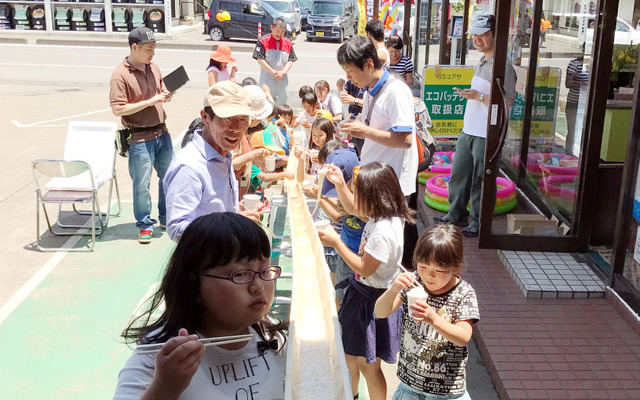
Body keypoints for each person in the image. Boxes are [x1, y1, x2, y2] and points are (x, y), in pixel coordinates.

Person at [113, 212, 287, 400]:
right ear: (193, 285)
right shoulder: (161, 355)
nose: (258, 286)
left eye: (264, 270)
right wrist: (165, 388)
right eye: (240, 274)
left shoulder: (270, 335)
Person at [318, 161, 414, 400]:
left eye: (357, 192)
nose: (354, 198)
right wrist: (340, 183)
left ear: (374, 196)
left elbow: (364, 268)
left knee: (369, 366)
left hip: (373, 301)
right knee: (352, 358)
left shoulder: (383, 232)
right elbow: (354, 209)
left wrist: (336, 241)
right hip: (365, 294)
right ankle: (352, 395)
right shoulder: (385, 215)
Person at [337, 36, 419, 269]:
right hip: (375, 178)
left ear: (369, 65)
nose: (348, 78)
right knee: (374, 239)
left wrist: (364, 130)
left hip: (391, 182)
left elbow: (405, 139)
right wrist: (355, 130)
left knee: (387, 246)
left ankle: (389, 290)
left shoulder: (396, 91)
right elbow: (373, 130)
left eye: (350, 71)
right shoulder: (370, 90)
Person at [374, 225, 479, 400]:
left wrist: (433, 319)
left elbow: (463, 337)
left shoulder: (464, 293)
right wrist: (393, 290)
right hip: (410, 386)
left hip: (446, 392)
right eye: (423, 266)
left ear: (456, 267)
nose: (429, 276)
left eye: (439, 271)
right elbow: (380, 311)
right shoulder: (414, 281)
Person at [433, 14, 516, 237]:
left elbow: (507, 104)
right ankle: (455, 214)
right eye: (475, 35)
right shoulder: (482, 61)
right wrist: (474, 96)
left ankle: (478, 222)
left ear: (495, 36)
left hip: (486, 133)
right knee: (460, 174)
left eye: (483, 35)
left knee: (481, 178)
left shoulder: (503, 67)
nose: (477, 39)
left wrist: (479, 96)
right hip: (469, 129)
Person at [163, 81, 256, 242]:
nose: (235, 128)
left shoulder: (223, 155)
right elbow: (177, 229)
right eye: (226, 119)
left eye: (242, 120)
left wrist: (238, 219)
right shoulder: (189, 166)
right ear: (205, 117)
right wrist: (230, 230)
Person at [109, 26, 174, 244]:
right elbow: (118, 109)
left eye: (154, 49)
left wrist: (167, 95)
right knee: (141, 184)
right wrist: (150, 101)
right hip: (138, 138)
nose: (152, 53)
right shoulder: (120, 75)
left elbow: (160, 93)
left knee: (168, 178)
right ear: (134, 47)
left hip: (161, 133)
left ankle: (165, 216)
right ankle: (145, 224)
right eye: (148, 49)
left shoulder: (153, 67)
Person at [253, 17, 297, 105]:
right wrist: (273, 72)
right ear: (272, 28)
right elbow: (260, 59)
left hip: (282, 80)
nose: (280, 34)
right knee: (266, 105)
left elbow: (291, 60)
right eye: (277, 31)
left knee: (281, 105)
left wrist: (283, 72)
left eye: (282, 32)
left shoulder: (288, 43)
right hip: (267, 79)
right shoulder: (263, 41)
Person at [565, 55, 587, 155]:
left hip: (586, 103)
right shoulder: (575, 64)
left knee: (585, 131)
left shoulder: (594, 65)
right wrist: (585, 86)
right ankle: (569, 153)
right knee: (572, 130)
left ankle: (582, 155)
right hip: (573, 102)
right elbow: (568, 83)